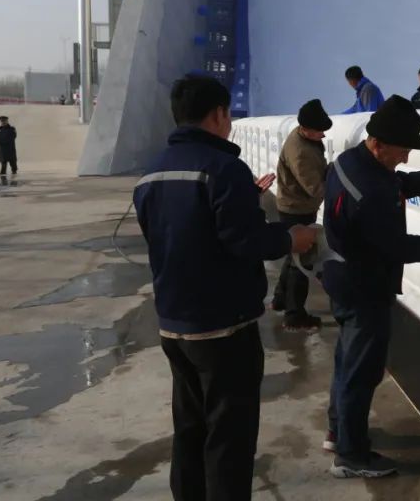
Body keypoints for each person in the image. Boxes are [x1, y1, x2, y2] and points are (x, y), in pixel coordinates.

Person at [133, 75, 318, 501]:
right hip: (223, 328)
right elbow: (246, 241)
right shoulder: (223, 168)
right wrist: (291, 238)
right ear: (218, 114)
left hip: (174, 324)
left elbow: (176, 232)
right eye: (228, 114)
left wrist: (241, 200)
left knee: (190, 428)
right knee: (229, 439)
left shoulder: (152, 173)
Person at [322, 96, 420, 478]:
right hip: (364, 288)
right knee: (361, 373)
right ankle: (352, 457)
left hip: (341, 278)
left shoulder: (350, 162)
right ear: (378, 143)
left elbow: (395, 183)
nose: (406, 157)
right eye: (402, 150)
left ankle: (338, 432)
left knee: (346, 363)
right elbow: (398, 247)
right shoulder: (371, 191)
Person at [272, 98, 332, 330]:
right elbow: (315, 188)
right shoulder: (301, 152)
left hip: (293, 206)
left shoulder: (304, 139)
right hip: (297, 210)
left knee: (293, 255)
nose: (323, 135)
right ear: (305, 129)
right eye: (319, 131)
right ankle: (294, 315)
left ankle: (280, 298)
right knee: (302, 262)